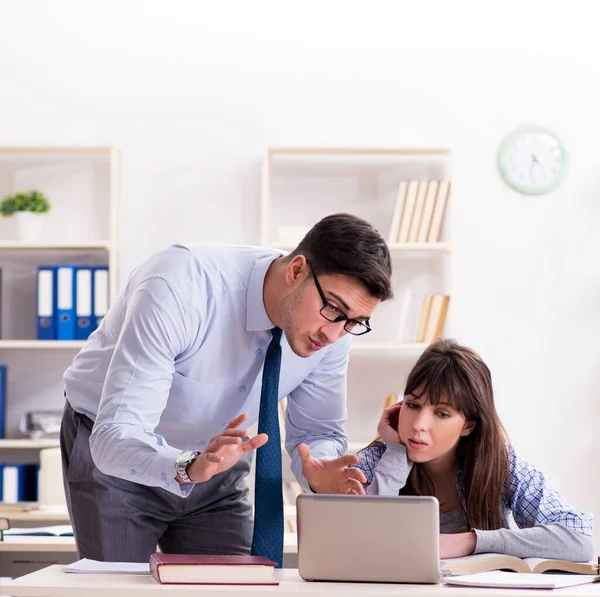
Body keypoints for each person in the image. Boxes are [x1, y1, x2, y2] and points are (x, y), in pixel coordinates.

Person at [60, 212, 392, 564]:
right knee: (119, 590)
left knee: (235, 586)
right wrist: (187, 466)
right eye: (333, 310)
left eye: (355, 322)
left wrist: (321, 468)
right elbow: (116, 435)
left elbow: (317, 430)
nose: (335, 334)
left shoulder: (333, 332)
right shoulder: (179, 288)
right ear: (296, 270)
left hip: (218, 461)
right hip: (116, 456)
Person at [351, 338, 595, 562]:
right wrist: (395, 451)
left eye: (442, 413)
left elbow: (579, 542)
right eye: (413, 405)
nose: (418, 425)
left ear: (468, 424)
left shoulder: (500, 465)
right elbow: (355, 541)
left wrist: (471, 541)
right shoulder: (374, 462)